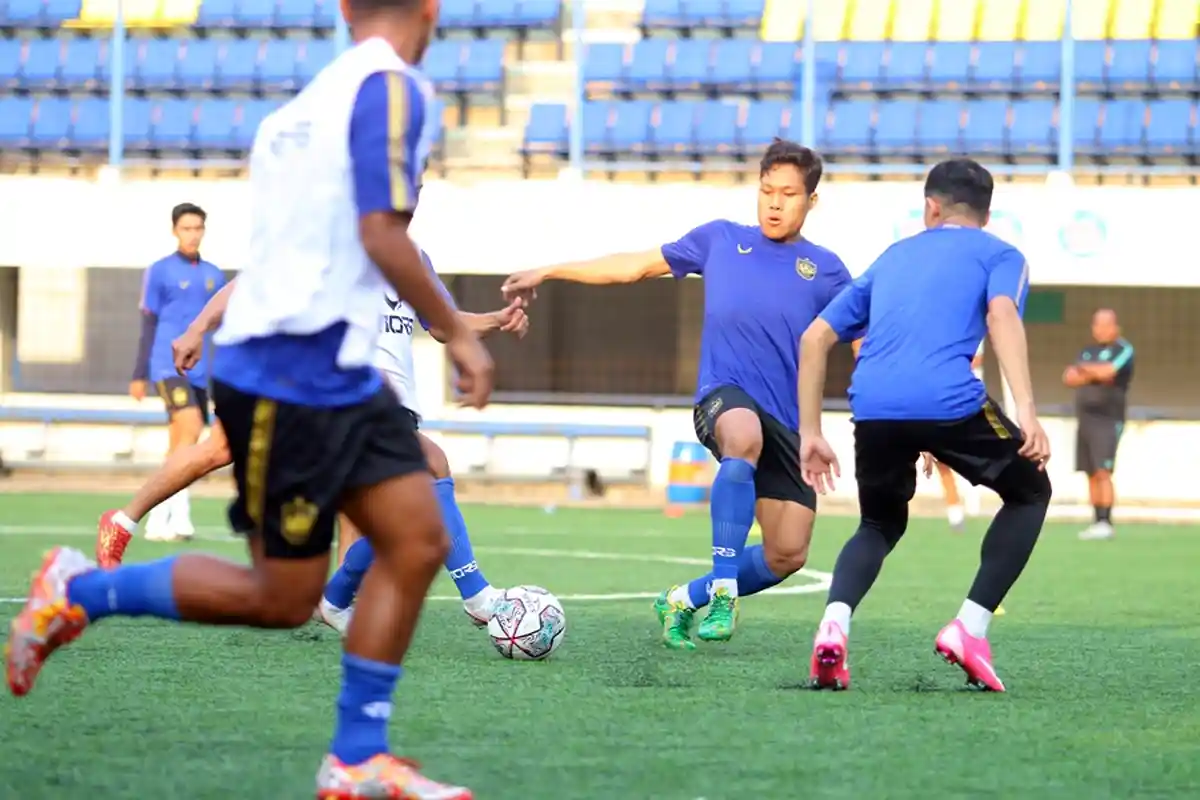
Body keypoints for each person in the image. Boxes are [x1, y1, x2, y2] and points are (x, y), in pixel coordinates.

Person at [8, 1, 494, 797]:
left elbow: (296, 251)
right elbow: (382, 233)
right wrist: (460, 332)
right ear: (433, 8)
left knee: (413, 537)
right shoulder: (399, 91)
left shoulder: (297, 113)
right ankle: (77, 588)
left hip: (325, 368)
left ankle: (356, 756)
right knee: (282, 596)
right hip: (291, 372)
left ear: (342, 8)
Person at [502, 139, 857, 650]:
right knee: (743, 436)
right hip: (723, 398)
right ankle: (724, 595)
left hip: (788, 424)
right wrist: (549, 270)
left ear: (811, 201)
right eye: (766, 191)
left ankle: (682, 599)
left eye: (788, 194)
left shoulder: (826, 270)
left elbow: (868, 342)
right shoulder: (719, 240)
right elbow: (634, 266)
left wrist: (914, 421)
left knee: (787, 554)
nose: (775, 203)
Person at [797, 158, 1051, 693]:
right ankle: (971, 628)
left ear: (930, 207)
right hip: (947, 400)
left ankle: (833, 626)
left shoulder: (892, 257)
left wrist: (811, 432)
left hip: (874, 406)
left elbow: (814, 338)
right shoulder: (1001, 254)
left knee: (878, 526)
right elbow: (1002, 315)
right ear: (986, 212)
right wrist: (1028, 411)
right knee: (1030, 491)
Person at [130, 202, 227, 541]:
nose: (193, 234)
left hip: (200, 372)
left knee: (182, 441)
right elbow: (149, 321)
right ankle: (179, 517)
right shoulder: (160, 271)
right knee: (192, 426)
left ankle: (161, 519)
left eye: (198, 228)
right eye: (186, 228)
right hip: (165, 365)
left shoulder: (216, 274)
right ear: (175, 231)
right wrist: (139, 373)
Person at [1063, 308, 1134, 541]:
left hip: (1107, 420)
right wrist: (1093, 373)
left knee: (1103, 471)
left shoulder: (1123, 349)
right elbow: (1069, 377)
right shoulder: (1087, 351)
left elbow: (1109, 371)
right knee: (1090, 471)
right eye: (1097, 324)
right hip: (1085, 420)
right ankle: (1095, 521)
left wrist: (1088, 372)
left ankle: (1107, 521)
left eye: (1106, 324)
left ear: (1116, 327)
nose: (1101, 329)